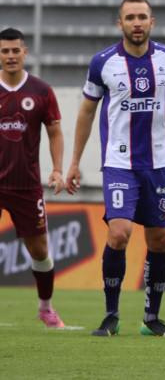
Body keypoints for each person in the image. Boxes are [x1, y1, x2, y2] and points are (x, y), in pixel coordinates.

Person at [65, 0, 165, 338]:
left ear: (152, 22)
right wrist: (75, 162)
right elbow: (86, 112)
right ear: (120, 24)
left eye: (142, 17)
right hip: (119, 164)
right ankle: (111, 315)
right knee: (120, 233)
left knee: (160, 239)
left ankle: (151, 319)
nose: (136, 23)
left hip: (158, 165)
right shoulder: (103, 62)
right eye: (130, 17)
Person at [0, 27, 66, 328]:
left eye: (16, 50)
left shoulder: (41, 91)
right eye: (5, 51)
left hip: (27, 185)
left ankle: (45, 308)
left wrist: (57, 168)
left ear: (25, 52)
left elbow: (54, 131)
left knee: (39, 250)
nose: (10, 56)